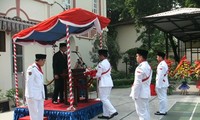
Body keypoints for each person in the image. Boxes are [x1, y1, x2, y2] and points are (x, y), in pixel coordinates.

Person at [130, 48, 152, 120]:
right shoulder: (148, 66)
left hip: (140, 94)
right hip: (145, 92)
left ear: (141, 57)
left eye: (137, 56)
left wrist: (135, 95)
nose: (136, 58)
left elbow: (137, 83)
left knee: (141, 114)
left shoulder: (140, 68)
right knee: (146, 112)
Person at [95, 49, 118, 119]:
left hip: (103, 83)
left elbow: (98, 74)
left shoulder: (101, 64)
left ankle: (113, 111)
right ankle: (106, 114)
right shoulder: (107, 62)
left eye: (99, 56)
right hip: (109, 82)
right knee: (106, 98)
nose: (99, 57)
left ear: (102, 56)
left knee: (103, 99)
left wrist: (92, 75)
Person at [25, 54, 46, 120]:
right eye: (43, 61)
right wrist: (30, 95)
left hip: (39, 95)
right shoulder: (32, 68)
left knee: (40, 113)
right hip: (33, 95)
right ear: (40, 60)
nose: (44, 62)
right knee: (34, 114)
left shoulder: (38, 68)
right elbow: (29, 82)